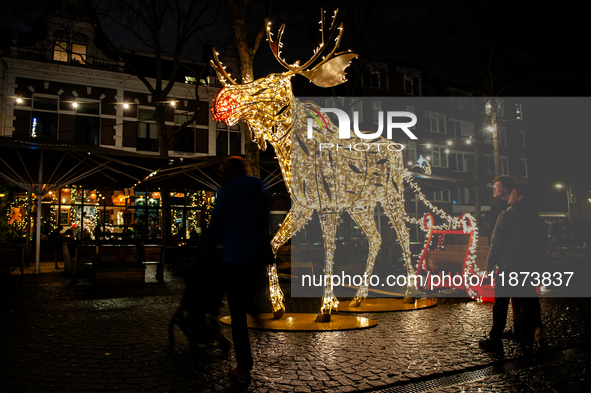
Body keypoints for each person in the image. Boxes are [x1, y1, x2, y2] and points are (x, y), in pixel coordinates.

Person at [199, 156, 272, 384]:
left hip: (235, 259)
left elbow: (216, 225)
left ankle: (243, 367)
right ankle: (257, 310)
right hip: (257, 257)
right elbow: (264, 221)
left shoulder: (228, 192)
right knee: (247, 300)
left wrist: (204, 251)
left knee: (237, 315)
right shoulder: (260, 188)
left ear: (227, 172)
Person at [479, 184, 548, 353]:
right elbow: (542, 246)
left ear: (521, 197)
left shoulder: (508, 215)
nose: (509, 195)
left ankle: (494, 339)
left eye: (513, 193)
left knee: (501, 304)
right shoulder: (537, 219)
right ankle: (527, 342)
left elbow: (497, 243)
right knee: (529, 306)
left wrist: (489, 265)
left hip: (508, 267)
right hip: (528, 268)